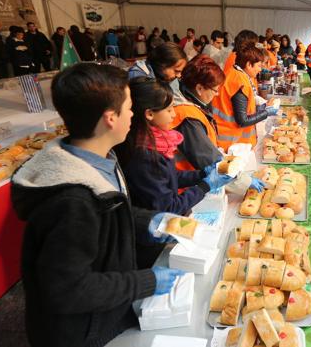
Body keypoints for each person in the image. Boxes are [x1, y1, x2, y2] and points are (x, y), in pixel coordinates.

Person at [11, 63, 184, 347]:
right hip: (83, 331)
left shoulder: (99, 158)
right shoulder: (71, 201)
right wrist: (145, 282)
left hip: (108, 309)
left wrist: (147, 221)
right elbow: (68, 289)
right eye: (129, 108)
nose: (133, 114)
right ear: (110, 118)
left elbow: (108, 211)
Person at [116, 77, 233, 215]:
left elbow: (170, 177)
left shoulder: (158, 141)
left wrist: (201, 174)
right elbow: (168, 208)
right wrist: (205, 186)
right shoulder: (144, 155)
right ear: (149, 114)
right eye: (169, 110)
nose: (174, 114)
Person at [212, 45, 278, 152]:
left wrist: (261, 108)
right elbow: (242, 120)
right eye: (259, 66)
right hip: (232, 142)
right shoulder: (239, 81)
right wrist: (266, 112)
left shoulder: (234, 73)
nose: (260, 69)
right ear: (248, 64)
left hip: (230, 138)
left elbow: (242, 107)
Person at [173, 55, 224, 171]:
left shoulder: (195, 103)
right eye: (215, 90)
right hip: (188, 185)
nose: (217, 94)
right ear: (199, 88)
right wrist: (246, 181)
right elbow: (210, 162)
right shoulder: (187, 117)